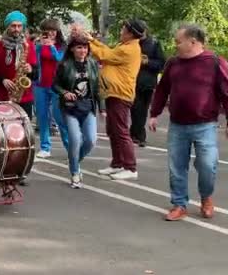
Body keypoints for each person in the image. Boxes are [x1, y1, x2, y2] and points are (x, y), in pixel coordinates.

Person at [148, 24, 228, 221]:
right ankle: (179, 204)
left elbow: (226, 92)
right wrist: (154, 113)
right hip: (177, 125)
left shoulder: (215, 62)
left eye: (178, 41)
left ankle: (206, 198)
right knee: (177, 167)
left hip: (205, 125)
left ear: (193, 42)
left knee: (207, 165)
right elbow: (162, 89)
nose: (175, 45)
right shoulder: (173, 63)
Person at [81, 19, 144, 180]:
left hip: (120, 94)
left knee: (121, 131)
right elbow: (108, 50)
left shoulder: (129, 49)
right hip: (113, 93)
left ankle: (130, 167)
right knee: (113, 130)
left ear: (130, 33)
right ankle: (117, 163)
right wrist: (92, 40)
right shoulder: (124, 46)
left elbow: (104, 54)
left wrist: (89, 43)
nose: (121, 29)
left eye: (124, 28)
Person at [52, 36, 104, 188]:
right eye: (79, 47)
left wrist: (102, 108)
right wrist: (64, 92)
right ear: (72, 49)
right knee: (75, 140)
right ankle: (75, 172)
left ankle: (74, 160)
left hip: (88, 106)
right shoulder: (64, 65)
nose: (83, 51)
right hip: (70, 108)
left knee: (90, 140)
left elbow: (97, 88)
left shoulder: (92, 64)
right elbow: (54, 85)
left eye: (85, 47)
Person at [0, 11, 38, 117]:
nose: (16, 29)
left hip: (24, 97)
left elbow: (36, 74)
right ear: (7, 26)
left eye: (19, 26)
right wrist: (2, 80)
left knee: (24, 131)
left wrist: (31, 69)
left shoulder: (29, 45)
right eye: (13, 26)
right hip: (2, 96)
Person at [34, 18, 69, 158]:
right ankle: (45, 147)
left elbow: (60, 60)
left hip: (56, 86)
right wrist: (38, 47)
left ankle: (69, 146)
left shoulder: (62, 46)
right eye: (47, 31)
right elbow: (34, 62)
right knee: (42, 117)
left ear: (57, 31)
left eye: (53, 31)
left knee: (59, 117)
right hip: (40, 85)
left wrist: (52, 47)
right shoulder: (39, 44)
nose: (50, 34)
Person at [130, 25, 165, 147]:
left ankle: (137, 135)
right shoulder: (131, 42)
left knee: (142, 110)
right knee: (135, 108)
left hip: (147, 83)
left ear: (145, 30)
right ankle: (136, 134)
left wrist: (148, 62)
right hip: (131, 81)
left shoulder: (154, 43)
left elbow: (161, 63)